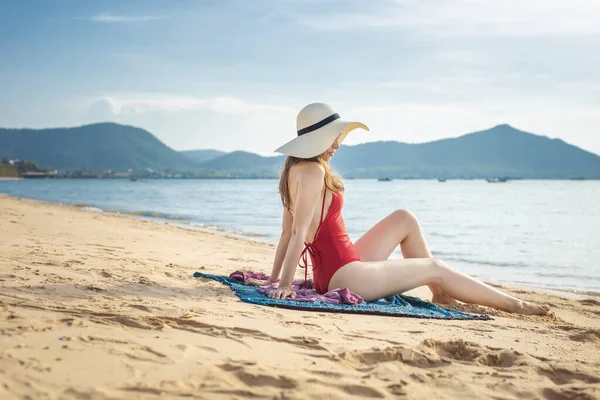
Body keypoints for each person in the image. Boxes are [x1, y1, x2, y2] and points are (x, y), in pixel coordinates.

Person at [252, 103, 548, 315]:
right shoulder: (315, 172)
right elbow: (297, 233)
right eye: (334, 137)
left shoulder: (294, 172)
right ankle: (516, 305)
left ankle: (442, 296)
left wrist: (273, 279)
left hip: (339, 265)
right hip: (346, 276)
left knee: (404, 218)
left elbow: (286, 233)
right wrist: (286, 285)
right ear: (317, 139)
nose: (339, 144)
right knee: (435, 267)